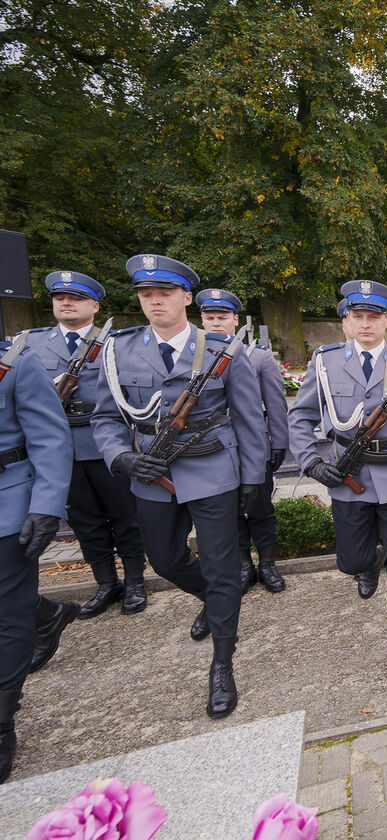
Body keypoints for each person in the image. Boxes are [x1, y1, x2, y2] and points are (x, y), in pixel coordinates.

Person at [93, 254, 268, 718]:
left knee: (220, 564)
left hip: (212, 467)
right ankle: (217, 599)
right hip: (152, 470)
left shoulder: (221, 350)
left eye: (165, 292)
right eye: (146, 293)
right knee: (166, 560)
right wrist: (122, 457)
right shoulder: (118, 350)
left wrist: (254, 478)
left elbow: (250, 420)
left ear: (186, 297)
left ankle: (222, 664)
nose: (154, 300)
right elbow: (106, 418)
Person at [289, 280, 387, 688]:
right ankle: (371, 562)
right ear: (345, 322)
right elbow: (300, 418)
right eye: (358, 316)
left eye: (374, 316)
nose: (366, 323)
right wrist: (311, 462)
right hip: (348, 474)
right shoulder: (324, 363)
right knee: (351, 561)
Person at [23, 271, 149, 618]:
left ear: (94, 305)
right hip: (60, 445)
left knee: (126, 515)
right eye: (59, 298)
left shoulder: (115, 341)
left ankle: (136, 581)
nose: (66, 303)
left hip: (106, 442)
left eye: (76, 298)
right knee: (84, 520)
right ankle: (106, 583)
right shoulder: (30, 343)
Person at [0, 331, 73, 783]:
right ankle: (45, 613)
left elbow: (49, 436)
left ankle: (2, 720)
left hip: (6, 505)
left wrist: (46, 505)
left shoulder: (15, 363)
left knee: (8, 615)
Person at [195, 289, 288, 593]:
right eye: (210, 318)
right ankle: (243, 565)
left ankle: (268, 565)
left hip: (252, 449)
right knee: (229, 512)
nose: (216, 323)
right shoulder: (194, 358)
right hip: (214, 450)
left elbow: (275, 404)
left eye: (222, 317)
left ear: (236, 320)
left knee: (261, 509)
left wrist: (279, 443)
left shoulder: (257, 357)